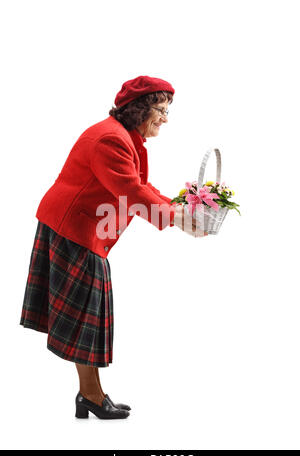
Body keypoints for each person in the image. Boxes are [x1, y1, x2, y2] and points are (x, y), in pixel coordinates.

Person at [20, 75, 207, 420]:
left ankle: (90, 394)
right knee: (84, 319)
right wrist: (179, 220)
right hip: (73, 229)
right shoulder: (111, 140)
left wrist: (178, 210)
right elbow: (132, 194)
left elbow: (141, 185)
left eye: (168, 111)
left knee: (86, 318)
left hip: (82, 229)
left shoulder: (124, 138)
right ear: (138, 110)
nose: (166, 118)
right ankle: (91, 394)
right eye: (161, 110)